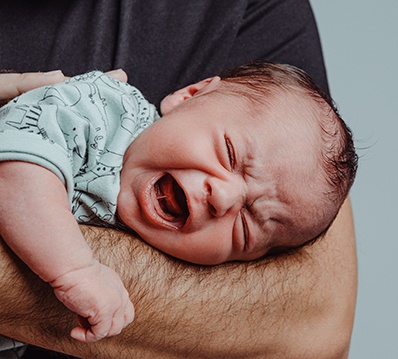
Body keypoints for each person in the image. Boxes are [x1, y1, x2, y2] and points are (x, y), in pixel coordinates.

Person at [0, 1, 358, 358]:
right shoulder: (104, 110)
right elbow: (16, 170)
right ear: (189, 96)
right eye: (229, 153)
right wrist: (76, 270)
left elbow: (317, 329)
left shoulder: (260, 13)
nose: (224, 197)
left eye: (247, 227)